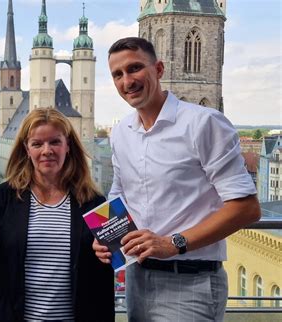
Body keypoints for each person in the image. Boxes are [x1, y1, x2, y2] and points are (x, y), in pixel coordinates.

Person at [93, 37, 261, 321]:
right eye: (117, 75)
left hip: (190, 284)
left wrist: (173, 243)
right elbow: (120, 193)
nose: (127, 81)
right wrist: (106, 236)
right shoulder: (121, 131)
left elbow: (247, 208)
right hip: (138, 278)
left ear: (158, 69)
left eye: (135, 68)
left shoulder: (203, 123)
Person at [0, 108, 115, 321]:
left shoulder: (94, 203)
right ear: (26, 149)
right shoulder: (2, 199)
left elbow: (106, 274)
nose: (47, 150)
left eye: (55, 142)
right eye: (37, 144)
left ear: (68, 145)